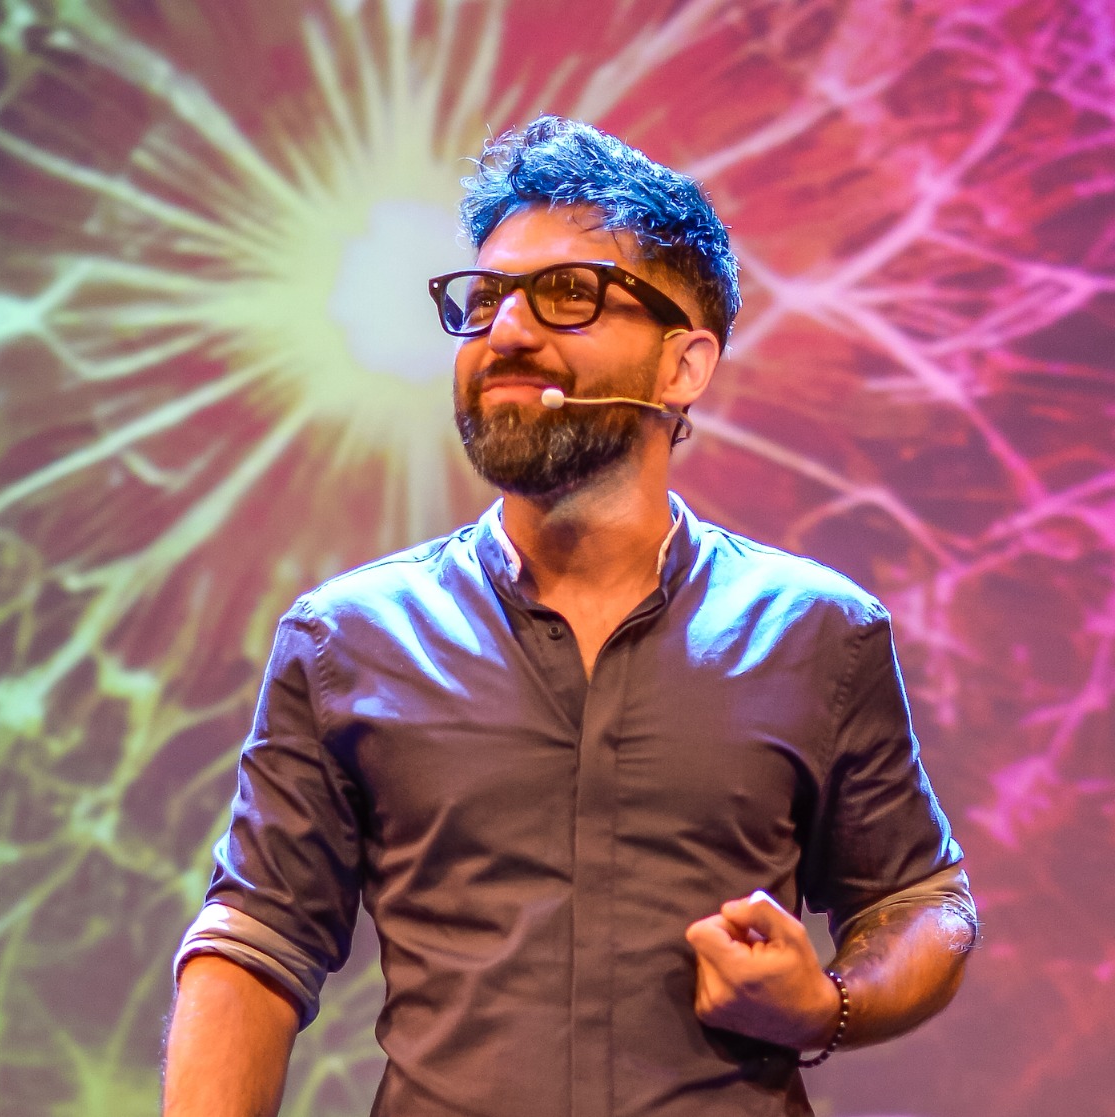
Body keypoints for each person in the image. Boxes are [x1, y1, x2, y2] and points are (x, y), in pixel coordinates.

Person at [162, 116, 977, 1117]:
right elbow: (256, 939)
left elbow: (918, 901)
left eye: (568, 294)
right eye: (488, 297)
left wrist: (827, 1004)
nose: (506, 330)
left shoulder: (816, 633)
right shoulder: (347, 641)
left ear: (684, 365)